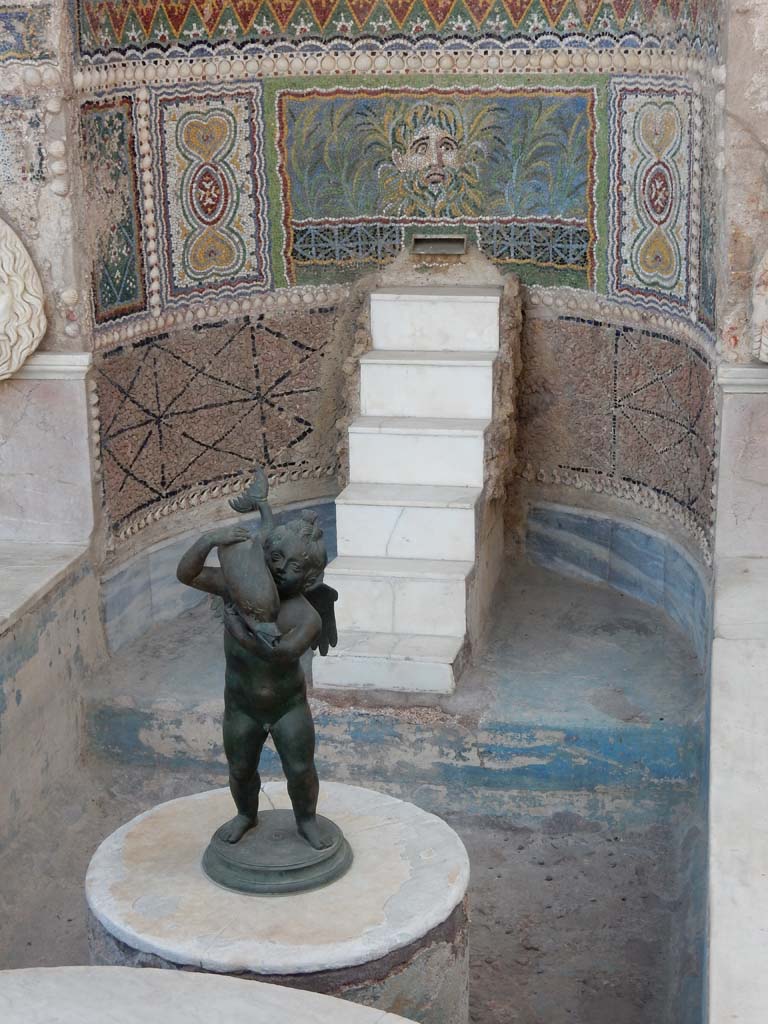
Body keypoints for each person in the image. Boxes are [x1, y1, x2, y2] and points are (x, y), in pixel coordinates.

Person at [176, 470, 337, 851]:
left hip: (287, 706)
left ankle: (307, 820)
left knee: (300, 770)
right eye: (277, 558)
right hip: (242, 705)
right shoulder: (239, 589)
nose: (281, 569)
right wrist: (208, 540)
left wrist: (238, 621)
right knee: (240, 769)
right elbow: (187, 574)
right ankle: (246, 815)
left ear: (310, 580)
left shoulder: (306, 616)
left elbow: (279, 653)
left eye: (294, 567)